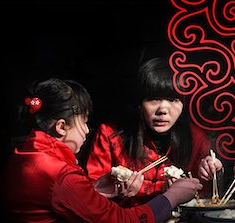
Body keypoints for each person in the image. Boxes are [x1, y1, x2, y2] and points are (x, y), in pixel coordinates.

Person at [0, 78, 203, 223]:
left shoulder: (25, 154)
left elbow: (53, 203)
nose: (87, 131)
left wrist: (95, 190)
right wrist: (172, 197)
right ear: (61, 127)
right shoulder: (57, 171)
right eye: (84, 122)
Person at [86, 56, 212, 206]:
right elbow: (89, 197)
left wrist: (212, 174)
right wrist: (116, 194)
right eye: (154, 99)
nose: (163, 110)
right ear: (139, 102)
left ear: (184, 104)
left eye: (173, 100)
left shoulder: (195, 138)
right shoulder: (109, 135)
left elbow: (205, 198)